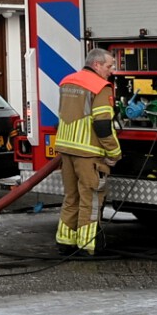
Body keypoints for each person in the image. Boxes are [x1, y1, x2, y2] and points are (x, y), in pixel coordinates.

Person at [50, 47, 120, 255]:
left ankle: (65, 242)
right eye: (109, 66)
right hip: (89, 153)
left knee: (71, 197)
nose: (111, 71)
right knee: (91, 199)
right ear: (96, 64)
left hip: (66, 149)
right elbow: (102, 125)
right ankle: (88, 246)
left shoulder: (67, 81)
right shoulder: (100, 87)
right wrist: (114, 153)